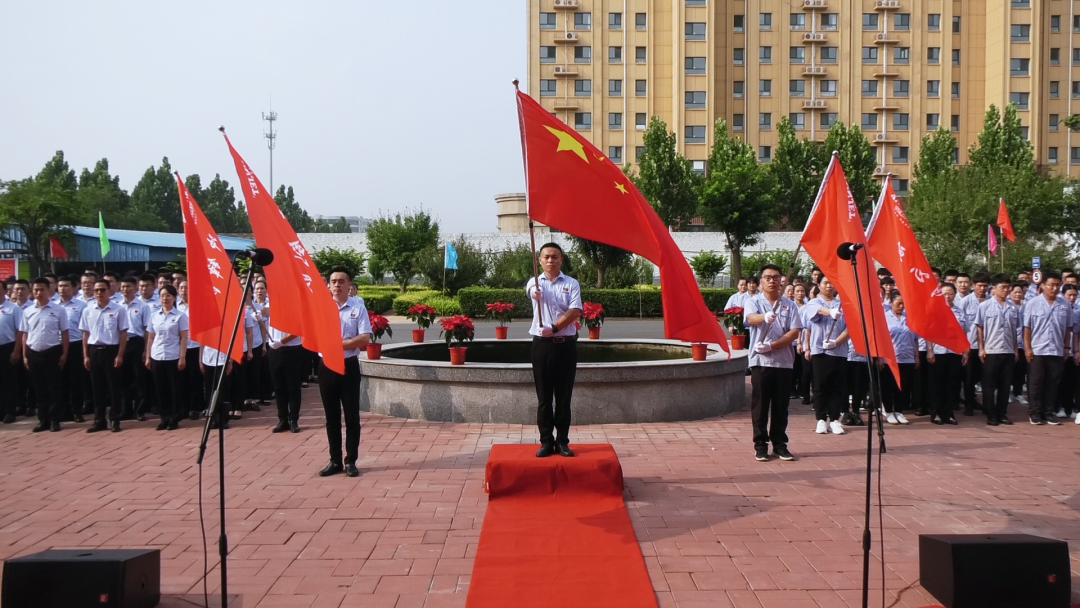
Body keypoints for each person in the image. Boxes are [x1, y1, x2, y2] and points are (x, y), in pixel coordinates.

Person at [527, 243, 583, 458]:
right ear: (540, 260)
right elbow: (531, 292)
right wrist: (535, 293)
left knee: (563, 397)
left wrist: (556, 327)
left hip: (565, 346)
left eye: (555, 256)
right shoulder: (535, 282)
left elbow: (576, 310)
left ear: (562, 260)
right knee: (543, 398)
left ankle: (562, 441)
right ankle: (545, 441)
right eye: (546, 257)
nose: (550, 260)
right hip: (541, 347)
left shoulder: (571, 283)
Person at [744, 264, 803, 462]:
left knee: (781, 406)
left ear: (781, 281)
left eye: (776, 277)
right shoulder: (754, 302)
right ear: (761, 282)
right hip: (761, 362)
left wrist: (774, 345)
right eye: (767, 277)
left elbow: (794, 332)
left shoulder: (790, 305)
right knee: (760, 405)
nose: (772, 281)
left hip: (784, 362)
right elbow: (751, 319)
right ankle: (760, 445)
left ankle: (780, 444)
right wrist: (764, 317)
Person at [317, 268, 372, 478]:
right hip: (327, 366)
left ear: (349, 285)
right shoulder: (321, 308)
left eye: (342, 281)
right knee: (331, 417)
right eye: (333, 281)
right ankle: (334, 460)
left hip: (348, 365)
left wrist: (340, 345)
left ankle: (351, 461)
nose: (337, 285)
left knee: (351, 416)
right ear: (329, 285)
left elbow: (364, 338)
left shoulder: (358, 308)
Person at [801, 276, 850, 434]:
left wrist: (836, 342)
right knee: (821, 385)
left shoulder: (843, 305)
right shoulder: (813, 302)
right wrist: (830, 312)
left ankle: (835, 419)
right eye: (825, 283)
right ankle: (821, 418)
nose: (829, 286)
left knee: (837, 386)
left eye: (832, 283)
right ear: (819, 285)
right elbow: (818, 313)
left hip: (839, 351)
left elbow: (849, 329)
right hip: (820, 351)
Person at [19, 278, 69, 432]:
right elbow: (24, 335)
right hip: (34, 353)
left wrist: (64, 354)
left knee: (53, 388)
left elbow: (65, 333)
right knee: (38, 389)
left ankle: (55, 420)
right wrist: (25, 356)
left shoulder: (59, 310)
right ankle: (43, 420)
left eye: (41, 290)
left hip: (52, 352)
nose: (38, 293)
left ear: (49, 291)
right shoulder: (27, 311)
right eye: (35, 290)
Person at [1022, 270, 1071, 425]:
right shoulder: (1032, 303)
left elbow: (1068, 328)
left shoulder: (1065, 305)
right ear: (1043, 285)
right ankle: (1034, 413)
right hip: (1037, 349)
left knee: (1052, 382)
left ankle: (1048, 412)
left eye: (1058, 285)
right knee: (1036, 382)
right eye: (1051, 285)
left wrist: (1067, 347)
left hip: (1056, 349)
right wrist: (1028, 348)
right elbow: (1027, 328)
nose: (1055, 288)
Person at [80, 279, 129, 432]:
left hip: (111, 350)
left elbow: (123, 333)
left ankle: (115, 419)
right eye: (96, 291)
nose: (99, 293)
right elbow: (85, 334)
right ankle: (99, 420)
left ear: (109, 291)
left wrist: (120, 355)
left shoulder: (119, 309)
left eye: (102, 290)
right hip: (94, 350)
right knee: (97, 387)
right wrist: (86, 355)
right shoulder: (88, 310)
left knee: (113, 387)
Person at [975, 274, 1020, 426]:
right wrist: (981, 348)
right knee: (989, 385)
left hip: (1008, 351)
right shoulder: (984, 306)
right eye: (1002, 287)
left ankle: (1002, 413)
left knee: (1005, 385)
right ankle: (991, 414)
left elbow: (1015, 331)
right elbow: (980, 328)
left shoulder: (1013, 308)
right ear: (994, 288)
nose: (1006, 290)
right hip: (991, 350)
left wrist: (1015, 350)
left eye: (1008, 287)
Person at [144, 285, 188, 431]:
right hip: (157, 356)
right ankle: (164, 418)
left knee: (174, 389)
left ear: (174, 298)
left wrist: (182, 357)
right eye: (162, 295)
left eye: (168, 295)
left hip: (173, 356)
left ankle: (174, 419)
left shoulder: (180, 316)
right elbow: (150, 337)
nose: (165, 298)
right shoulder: (155, 315)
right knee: (160, 389)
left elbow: (183, 338)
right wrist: (148, 356)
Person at [927, 283, 967, 425]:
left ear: (955, 295)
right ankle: (936, 412)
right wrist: (930, 351)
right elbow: (929, 333)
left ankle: (948, 413)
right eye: (944, 293)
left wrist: (965, 352)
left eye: (950, 293)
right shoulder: (934, 311)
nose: (948, 296)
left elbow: (964, 333)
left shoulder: (960, 312)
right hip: (938, 352)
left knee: (952, 384)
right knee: (937, 384)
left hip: (954, 352)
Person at [265, 306, 305, 434]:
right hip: (275, 351)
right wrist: (259, 318)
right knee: (278, 387)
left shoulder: (294, 308)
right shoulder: (270, 307)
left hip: (292, 350)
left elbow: (298, 330)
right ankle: (282, 419)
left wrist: (281, 341)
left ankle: (293, 419)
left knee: (293, 387)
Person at [117, 276, 151, 420]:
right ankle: (126, 410)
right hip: (122, 343)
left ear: (135, 288)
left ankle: (140, 410)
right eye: (123, 287)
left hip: (137, 343)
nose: (125, 289)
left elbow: (147, 330)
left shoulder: (143, 306)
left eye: (129, 286)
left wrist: (145, 350)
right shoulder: (117, 305)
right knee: (123, 378)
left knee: (139, 378)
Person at [881, 291, 917, 425]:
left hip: (907, 358)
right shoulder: (884, 318)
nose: (901, 306)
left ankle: (899, 411)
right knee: (888, 386)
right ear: (890, 303)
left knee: (903, 387)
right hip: (890, 359)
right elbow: (881, 339)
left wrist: (916, 357)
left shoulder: (909, 318)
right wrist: (880, 357)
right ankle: (889, 411)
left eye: (903, 304)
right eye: (898, 303)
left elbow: (915, 339)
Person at [56, 276, 87, 423]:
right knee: (60, 380)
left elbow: (86, 329)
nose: (63, 288)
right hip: (58, 345)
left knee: (76, 380)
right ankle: (64, 411)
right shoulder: (53, 305)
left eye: (66, 286)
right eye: (60, 286)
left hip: (76, 344)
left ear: (74, 288)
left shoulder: (82, 306)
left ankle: (77, 411)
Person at [959, 273, 990, 415]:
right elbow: (960, 325)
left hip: (988, 346)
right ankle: (969, 404)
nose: (982, 288)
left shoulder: (991, 301)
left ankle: (986, 404)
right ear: (973, 286)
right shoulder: (965, 302)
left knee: (985, 377)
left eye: (985, 285)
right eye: (979, 285)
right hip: (970, 345)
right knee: (969, 378)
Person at [176, 280, 204, 421]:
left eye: (187, 287)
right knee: (181, 380)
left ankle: (195, 407)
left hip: (195, 346)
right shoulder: (176, 307)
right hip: (180, 347)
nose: (184, 290)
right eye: (181, 288)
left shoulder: (197, 306)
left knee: (195, 379)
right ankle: (183, 407)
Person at [0, 281, 24, 424]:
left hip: (7, 347)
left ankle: (10, 411)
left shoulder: (13, 308)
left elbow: (20, 331)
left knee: (8, 381)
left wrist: (16, 350)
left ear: (5, 291)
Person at [1057, 285, 1080, 419]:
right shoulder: (1060, 308)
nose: (1072, 298)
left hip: (1074, 352)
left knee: (1074, 381)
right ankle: (1062, 407)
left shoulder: (1077, 311)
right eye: (1069, 295)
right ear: (1063, 294)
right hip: (1062, 350)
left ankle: (1071, 408)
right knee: (1062, 381)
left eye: (1074, 295)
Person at [1010, 282, 1029, 405]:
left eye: (1020, 292)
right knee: (1008, 371)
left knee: (1021, 370)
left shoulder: (1027, 306)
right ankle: (1006, 393)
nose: (1017, 294)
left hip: (1023, 344)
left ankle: (1018, 393)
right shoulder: (1008, 306)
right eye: (1015, 292)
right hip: (1010, 344)